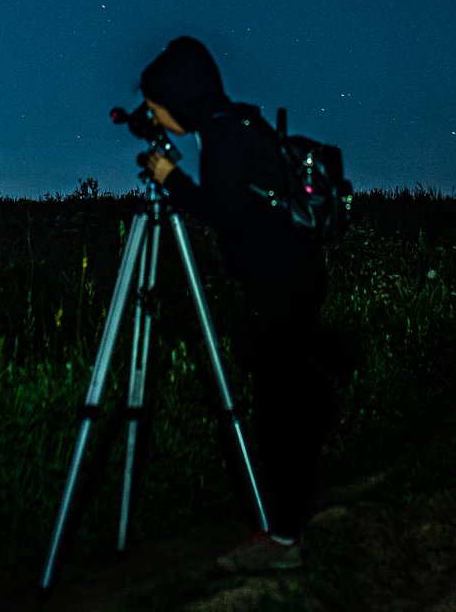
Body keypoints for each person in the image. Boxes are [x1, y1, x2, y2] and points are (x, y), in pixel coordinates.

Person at [138, 36, 334, 573]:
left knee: (278, 411)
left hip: (277, 288)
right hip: (296, 279)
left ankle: (282, 540)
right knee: (287, 404)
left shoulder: (222, 135)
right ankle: (283, 525)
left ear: (180, 98)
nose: (156, 118)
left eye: (157, 107)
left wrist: (169, 178)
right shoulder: (241, 121)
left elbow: (226, 214)